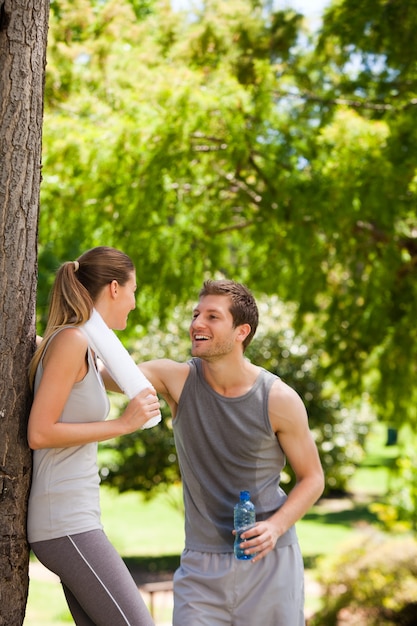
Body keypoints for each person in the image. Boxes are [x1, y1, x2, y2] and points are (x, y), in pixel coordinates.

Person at [139, 279, 325, 626]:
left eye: (212, 316)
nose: (197, 323)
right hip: (200, 568)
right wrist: (60, 341)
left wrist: (274, 527)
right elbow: (101, 375)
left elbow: (313, 477)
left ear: (242, 331)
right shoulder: (175, 379)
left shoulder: (278, 399)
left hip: (269, 564)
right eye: (196, 314)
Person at [27, 246, 159, 626]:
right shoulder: (73, 341)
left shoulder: (83, 343)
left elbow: (111, 377)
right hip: (64, 522)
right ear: (114, 288)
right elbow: (39, 431)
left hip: (76, 518)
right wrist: (123, 425)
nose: (134, 304)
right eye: (134, 291)